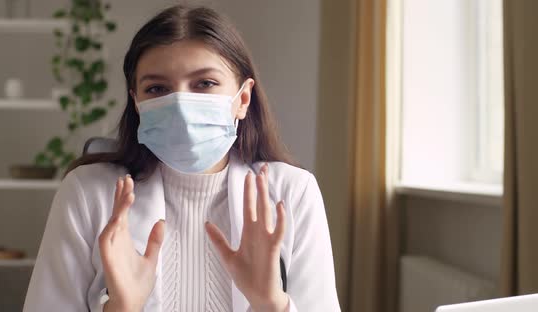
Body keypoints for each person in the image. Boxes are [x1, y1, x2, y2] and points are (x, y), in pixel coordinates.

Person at [23, 5, 340, 312]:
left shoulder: (293, 193)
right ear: (136, 103)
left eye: (205, 83)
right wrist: (121, 309)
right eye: (157, 88)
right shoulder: (88, 192)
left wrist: (272, 305)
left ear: (242, 99)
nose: (181, 105)